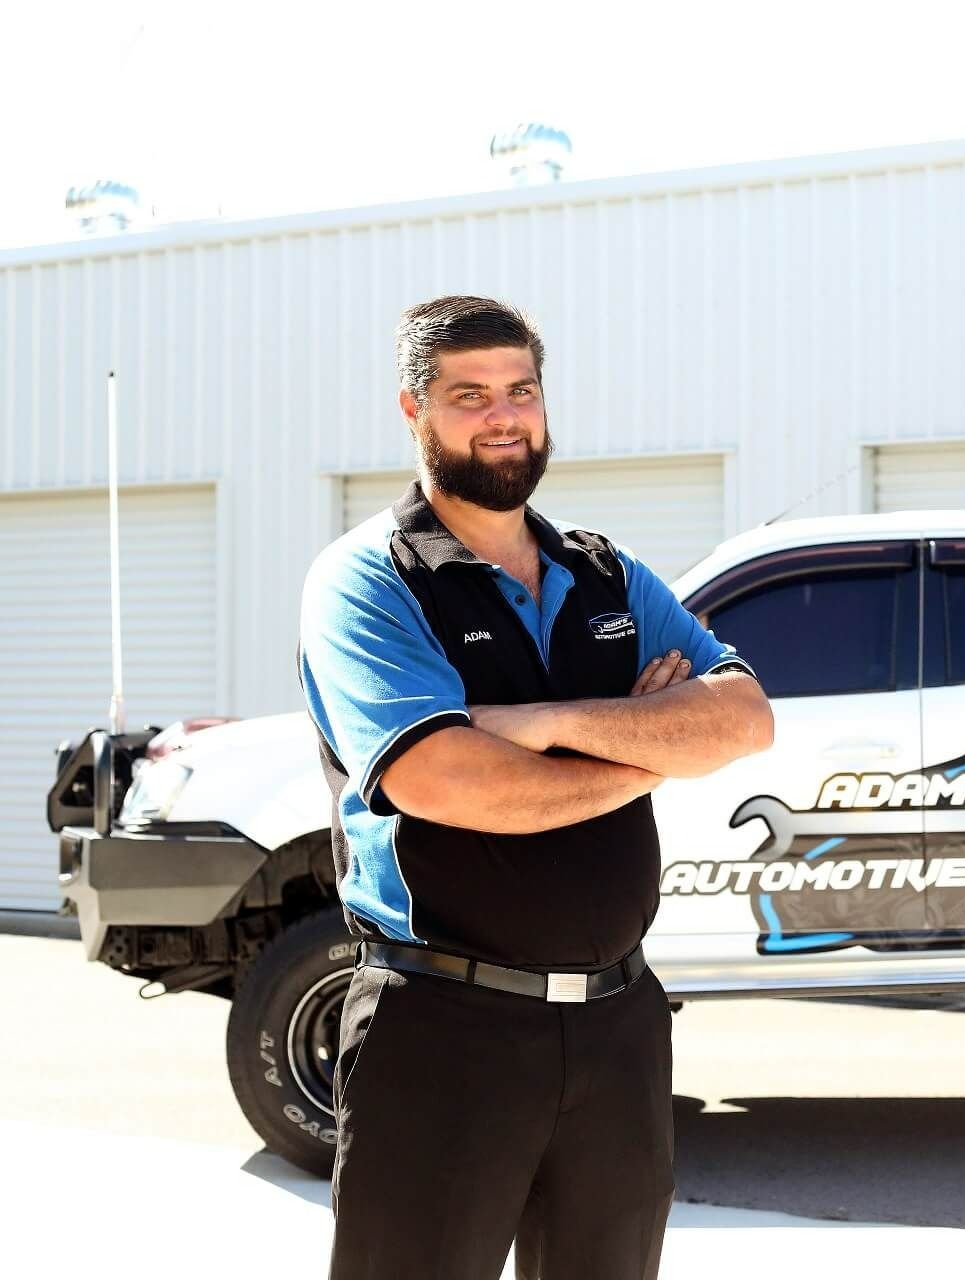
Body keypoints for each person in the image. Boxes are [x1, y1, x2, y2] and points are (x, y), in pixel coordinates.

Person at [298, 294, 773, 1279]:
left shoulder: (606, 571)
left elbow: (744, 718)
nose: (502, 413)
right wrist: (652, 747)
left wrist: (551, 723)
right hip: (442, 1028)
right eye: (469, 394)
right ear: (414, 411)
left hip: (619, 1024)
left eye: (521, 388)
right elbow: (449, 781)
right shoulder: (368, 581)